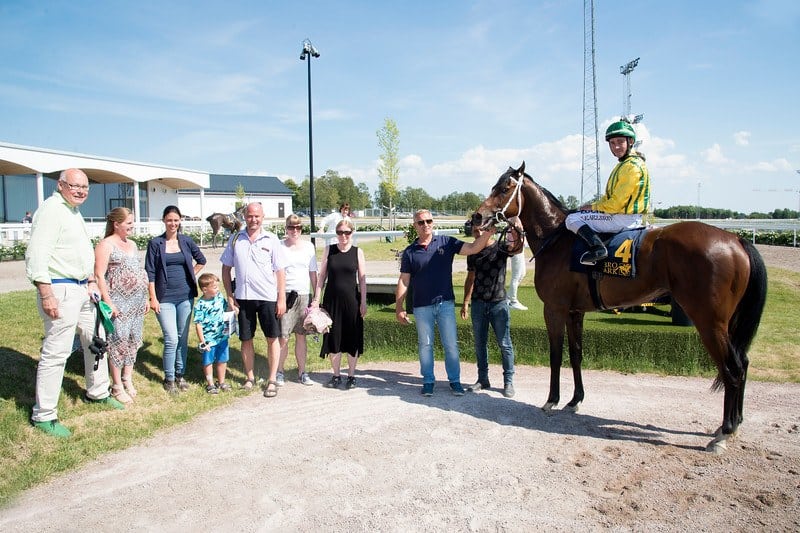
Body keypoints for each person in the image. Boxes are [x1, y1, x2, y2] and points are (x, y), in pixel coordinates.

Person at [25, 168, 124, 438]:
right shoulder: (51, 211)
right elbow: (36, 255)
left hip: (82, 288)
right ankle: (44, 414)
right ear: (61, 185)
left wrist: (91, 281)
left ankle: (98, 391)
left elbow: (80, 253)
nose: (81, 191)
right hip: (60, 288)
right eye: (75, 186)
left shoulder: (72, 211)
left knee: (96, 342)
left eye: (85, 187)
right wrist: (46, 294)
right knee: (57, 352)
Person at [395, 209, 495, 397]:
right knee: (425, 345)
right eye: (421, 222)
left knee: (451, 345)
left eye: (429, 221)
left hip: (445, 304)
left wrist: (488, 234)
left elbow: (473, 248)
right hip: (421, 306)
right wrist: (399, 307)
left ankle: (455, 381)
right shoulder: (409, 252)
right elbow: (404, 280)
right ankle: (428, 381)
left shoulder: (447, 243)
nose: (426, 225)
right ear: (415, 225)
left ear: (433, 222)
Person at [220, 202, 287, 398]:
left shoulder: (272, 239)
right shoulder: (235, 239)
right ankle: (249, 377)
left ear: (263, 217)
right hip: (243, 298)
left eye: (257, 216)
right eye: (250, 216)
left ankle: (272, 379)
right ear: (244, 217)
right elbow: (226, 269)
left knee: (272, 338)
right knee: (246, 339)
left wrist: (281, 297)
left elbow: (280, 270)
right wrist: (230, 295)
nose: (253, 219)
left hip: (267, 297)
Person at [565, 119, 651, 265]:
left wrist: (593, 208)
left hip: (622, 218)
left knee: (572, 219)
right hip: (625, 216)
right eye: (612, 143)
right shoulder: (625, 164)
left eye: (620, 141)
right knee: (579, 212)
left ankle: (598, 248)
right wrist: (591, 206)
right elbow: (608, 198)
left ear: (630, 141)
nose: (616, 146)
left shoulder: (631, 166)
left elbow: (616, 205)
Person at [145, 205, 206, 394]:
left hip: (185, 297)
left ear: (180, 221)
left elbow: (201, 260)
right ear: (164, 220)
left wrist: (191, 275)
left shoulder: (186, 241)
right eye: (169, 220)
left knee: (182, 337)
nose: (173, 223)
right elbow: (150, 272)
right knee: (171, 338)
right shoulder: (156, 243)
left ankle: (180, 375)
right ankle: (169, 378)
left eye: (176, 220)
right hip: (164, 298)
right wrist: (153, 298)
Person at [461, 222, 524, 398]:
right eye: (475, 230)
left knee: (505, 344)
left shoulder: (501, 247)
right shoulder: (472, 252)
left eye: (481, 229)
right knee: (480, 344)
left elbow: (517, 248)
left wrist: (515, 227)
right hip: (478, 303)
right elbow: (470, 277)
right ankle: (483, 379)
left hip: (498, 303)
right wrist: (466, 301)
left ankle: (508, 381)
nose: (478, 232)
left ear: (490, 230)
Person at [94, 207, 149, 404]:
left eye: (132, 223)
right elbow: (99, 275)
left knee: (133, 340)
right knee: (118, 340)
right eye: (128, 223)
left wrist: (146, 298)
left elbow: (139, 271)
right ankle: (116, 384)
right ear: (116, 224)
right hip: (118, 301)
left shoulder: (132, 244)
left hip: (136, 301)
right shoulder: (105, 245)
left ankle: (127, 377)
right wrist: (108, 302)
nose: (131, 226)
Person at [311, 218, 367, 390]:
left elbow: (362, 280)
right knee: (333, 338)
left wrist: (363, 302)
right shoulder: (329, 250)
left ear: (352, 233)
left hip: (352, 302)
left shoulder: (358, 252)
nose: (343, 236)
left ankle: (351, 375)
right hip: (332, 302)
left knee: (352, 338)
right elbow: (321, 277)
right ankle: (336, 376)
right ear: (336, 233)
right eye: (340, 232)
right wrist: (316, 299)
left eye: (347, 232)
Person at [276, 214, 318, 386]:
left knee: (301, 336)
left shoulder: (308, 247)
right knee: (283, 337)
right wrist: (279, 297)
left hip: (303, 295)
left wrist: (316, 297)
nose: (294, 231)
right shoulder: (279, 246)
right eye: (291, 227)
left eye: (298, 227)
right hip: (285, 295)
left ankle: (302, 372)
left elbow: (313, 273)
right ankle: (279, 371)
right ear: (286, 228)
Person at [193, 273, 234, 394]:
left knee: (222, 359)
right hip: (209, 339)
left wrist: (232, 309)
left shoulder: (220, 297)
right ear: (205, 289)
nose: (218, 289)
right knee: (208, 361)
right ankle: (210, 384)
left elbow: (226, 309)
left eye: (218, 287)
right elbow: (198, 324)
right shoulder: (200, 305)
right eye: (215, 287)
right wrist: (202, 341)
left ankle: (221, 382)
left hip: (222, 336)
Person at [507, 246, 529, 311]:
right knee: (516, 276)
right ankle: (513, 301)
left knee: (522, 273)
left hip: (520, 248)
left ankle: (508, 297)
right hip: (516, 248)